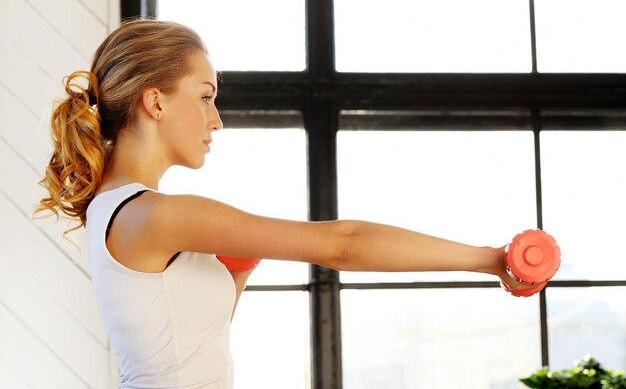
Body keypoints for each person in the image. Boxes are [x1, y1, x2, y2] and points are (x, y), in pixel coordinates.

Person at [35, 19, 540, 389]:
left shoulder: (123, 210)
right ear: (155, 101)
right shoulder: (156, 214)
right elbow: (342, 245)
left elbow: (182, 353)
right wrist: (491, 259)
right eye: (206, 96)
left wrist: (234, 276)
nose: (217, 120)